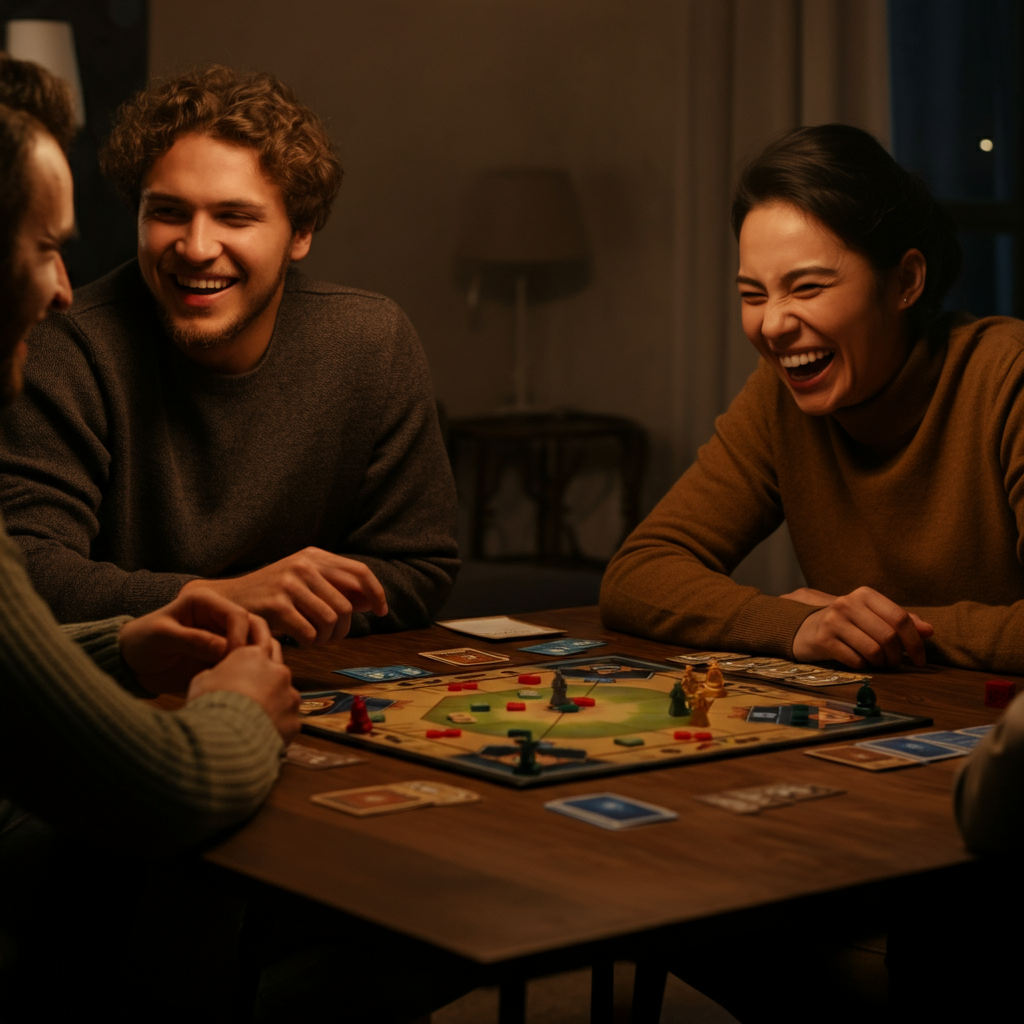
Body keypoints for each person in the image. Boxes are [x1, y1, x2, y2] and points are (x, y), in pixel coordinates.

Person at [0, 85, 302, 1017]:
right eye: (47, 247)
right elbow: (164, 788)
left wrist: (122, 641)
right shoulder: (79, 351)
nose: (62, 288)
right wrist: (240, 706)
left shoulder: (371, 337)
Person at [0, 62, 458, 647]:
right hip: (122, 690)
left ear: (301, 233)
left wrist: (274, 617)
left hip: (304, 681)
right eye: (167, 212)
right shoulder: (62, 343)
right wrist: (222, 600)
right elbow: (27, 573)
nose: (196, 247)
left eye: (234, 217)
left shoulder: (372, 340)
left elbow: (419, 567)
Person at [600, 123, 1024, 676]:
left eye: (807, 288)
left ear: (905, 282)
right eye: (753, 295)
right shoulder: (777, 397)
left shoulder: (1007, 376)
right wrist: (796, 625)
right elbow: (637, 574)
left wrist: (876, 630)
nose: (772, 325)